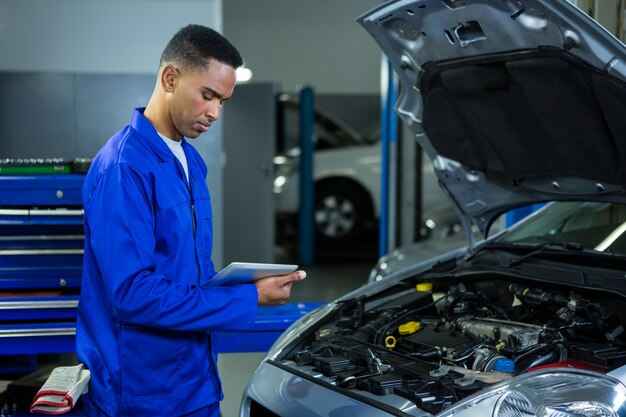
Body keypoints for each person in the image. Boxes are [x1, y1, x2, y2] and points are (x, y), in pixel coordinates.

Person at [76, 24, 306, 417]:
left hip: (195, 378)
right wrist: (248, 297)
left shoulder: (188, 161)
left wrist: (242, 281)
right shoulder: (124, 167)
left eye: (223, 101)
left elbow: (187, 268)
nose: (215, 113)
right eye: (208, 95)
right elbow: (132, 293)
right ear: (170, 78)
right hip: (142, 390)